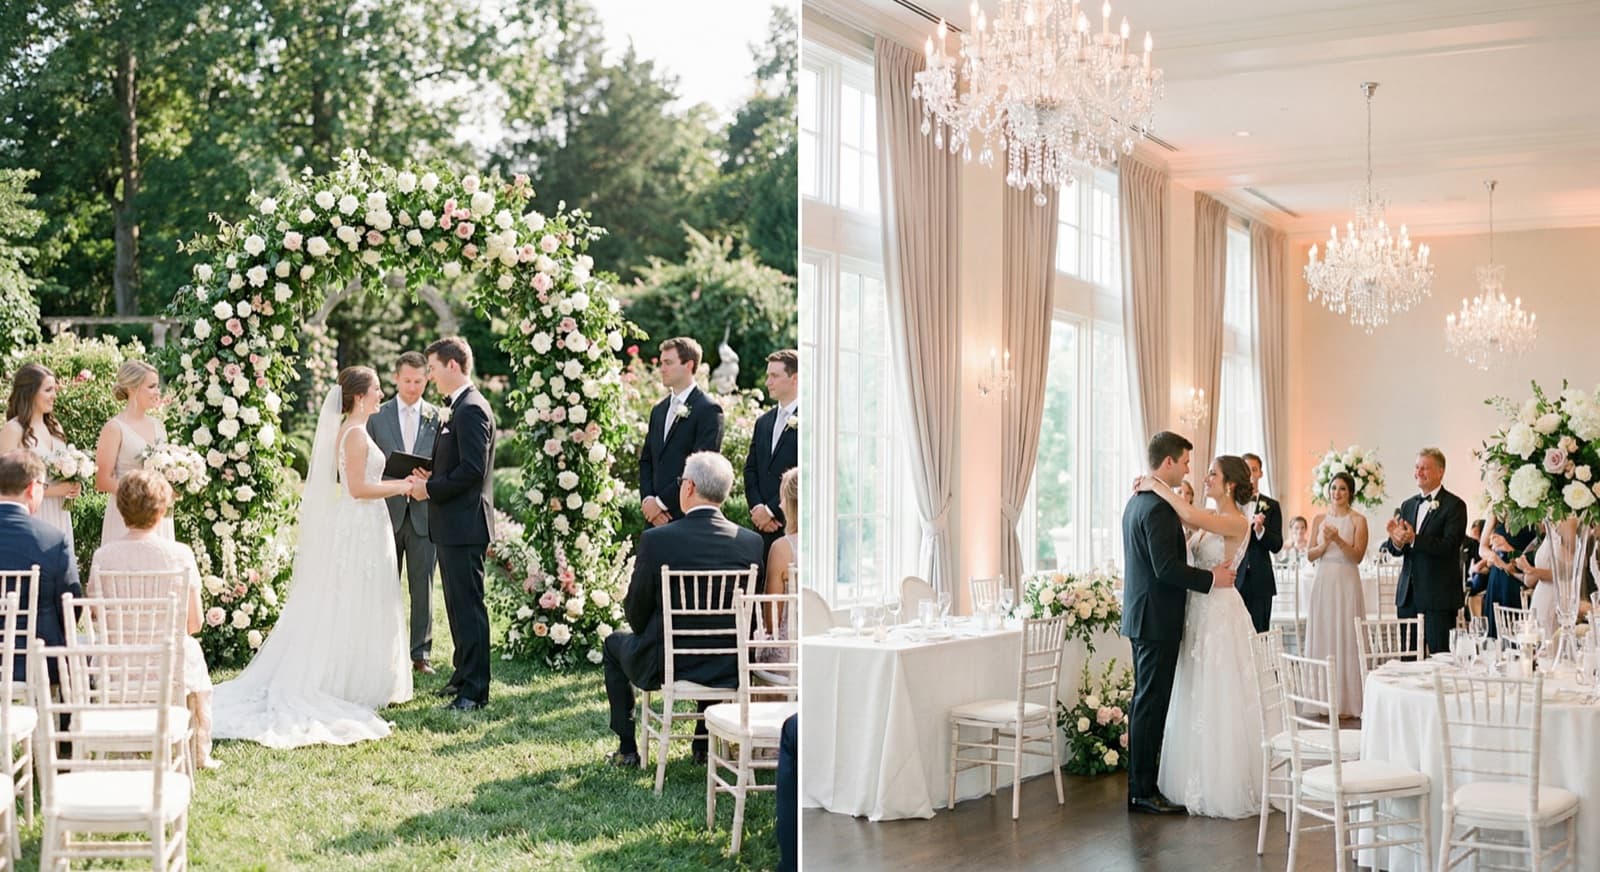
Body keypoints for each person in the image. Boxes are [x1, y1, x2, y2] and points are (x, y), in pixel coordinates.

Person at [210, 367, 415, 747]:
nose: (381, 394)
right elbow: (356, 488)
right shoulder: (354, 435)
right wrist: (403, 486)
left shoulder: (357, 431)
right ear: (358, 397)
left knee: (366, 599)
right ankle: (346, 680)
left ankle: (364, 676)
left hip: (368, 525)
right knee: (355, 599)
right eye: (376, 389)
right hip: (360, 526)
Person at [601, 451, 764, 767]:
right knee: (715, 638)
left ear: (688, 487)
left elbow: (635, 613)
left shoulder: (657, 540)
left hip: (665, 664)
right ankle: (702, 745)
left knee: (612, 645)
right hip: (728, 666)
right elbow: (751, 619)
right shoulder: (751, 543)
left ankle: (627, 748)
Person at [1135, 453, 1262, 818]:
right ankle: (1189, 777)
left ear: (1230, 485)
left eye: (1212, 474)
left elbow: (1187, 514)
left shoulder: (1235, 521)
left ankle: (1222, 781)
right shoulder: (1210, 524)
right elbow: (1187, 529)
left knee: (1219, 692)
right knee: (1194, 690)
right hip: (1199, 612)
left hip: (1221, 613)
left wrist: (1155, 484)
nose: (1205, 477)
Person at [1119, 432, 1236, 816]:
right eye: (1185, 461)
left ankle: (1142, 785)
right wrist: (1209, 580)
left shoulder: (1139, 500)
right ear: (1168, 462)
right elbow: (1166, 568)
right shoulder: (1156, 508)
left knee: (1145, 702)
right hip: (1155, 619)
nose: (1190, 468)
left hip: (1145, 616)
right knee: (1150, 704)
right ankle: (1142, 790)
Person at [90, 470, 219, 768]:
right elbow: (194, 624)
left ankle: (127, 746)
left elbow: (95, 612)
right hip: (168, 661)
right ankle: (196, 750)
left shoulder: (104, 556)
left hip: (119, 661)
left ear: (121, 509)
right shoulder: (180, 554)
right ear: (162, 510)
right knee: (190, 649)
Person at [408, 337, 497, 712]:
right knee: (457, 607)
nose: (429, 375)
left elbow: (473, 471)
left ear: (453, 366)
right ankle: (462, 675)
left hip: (464, 525)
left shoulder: (472, 408)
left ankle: (475, 690)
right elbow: (457, 462)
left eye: (432, 368)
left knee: (469, 607)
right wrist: (430, 471)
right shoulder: (456, 408)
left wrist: (429, 488)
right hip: (451, 525)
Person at [367, 350, 440, 674]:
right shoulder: (376, 417)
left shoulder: (439, 417)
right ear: (396, 378)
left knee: (422, 585)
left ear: (427, 379)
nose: (413, 387)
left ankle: (420, 654)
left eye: (419, 381)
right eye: (407, 380)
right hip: (387, 511)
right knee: (384, 584)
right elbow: (365, 465)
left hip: (425, 513)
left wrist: (431, 476)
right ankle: (383, 648)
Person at [0, 449, 81, 684]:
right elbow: (70, 604)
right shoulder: (52, 540)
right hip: (40, 658)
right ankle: (61, 720)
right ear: (32, 488)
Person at [1385, 448, 1469, 656]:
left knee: (1440, 659)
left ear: (1440, 472)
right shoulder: (1407, 505)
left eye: (1425, 468)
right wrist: (1396, 541)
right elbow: (1399, 550)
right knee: (1408, 659)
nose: (1419, 472)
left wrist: (1414, 539)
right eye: (1417, 467)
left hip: (1438, 595)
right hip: (1408, 596)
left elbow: (1449, 546)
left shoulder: (1455, 506)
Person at [1302, 473, 1369, 718]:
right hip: (1324, 580)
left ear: (1350, 492)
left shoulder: (1358, 520)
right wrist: (1324, 544)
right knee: (1325, 633)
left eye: (1342, 488)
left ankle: (1348, 702)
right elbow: (1310, 555)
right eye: (1333, 488)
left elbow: (1357, 556)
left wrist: (1338, 539)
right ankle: (1323, 699)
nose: (1337, 493)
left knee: (1346, 635)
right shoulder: (1319, 518)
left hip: (1347, 580)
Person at [639, 337, 724, 526]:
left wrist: (661, 504)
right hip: (652, 520)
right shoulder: (658, 410)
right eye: (661, 363)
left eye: (668, 363)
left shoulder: (709, 410)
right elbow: (646, 461)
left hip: (685, 518)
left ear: (689, 365)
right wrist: (648, 502)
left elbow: (700, 470)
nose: (662, 368)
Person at [0, 363, 82, 550]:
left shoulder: (55, 428)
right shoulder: (13, 429)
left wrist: (73, 484)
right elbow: (5, 485)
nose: (54, 395)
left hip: (60, 512)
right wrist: (56, 490)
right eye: (48, 390)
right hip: (31, 514)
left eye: (54, 389)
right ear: (30, 392)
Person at [93, 360, 175, 542]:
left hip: (159, 513)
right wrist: (140, 500)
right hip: (127, 513)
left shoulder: (158, 426)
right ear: (132, 388)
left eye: (157, 386)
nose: (157, 392)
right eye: (152, 386)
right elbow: (102, 480)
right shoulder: (115, 428)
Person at [744, 350, 798, 554]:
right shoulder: (763, 422)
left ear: (795, 379)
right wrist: (758, 509)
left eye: (774, 376)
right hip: (760, 528)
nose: (768, 382)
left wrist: (771, 510)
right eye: (768, 376)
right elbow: (750, 470)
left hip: (790, 524)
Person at [754, 468, 799, 674]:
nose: (779, 505)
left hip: (789, 658)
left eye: (782, 498)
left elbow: (772, 619)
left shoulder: (782, 548)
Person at [1237, 453, 1283, 633]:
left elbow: (1278, 544)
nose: (1249, 474)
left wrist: (1260, 531)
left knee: (1259, 634)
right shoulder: (1232, 504)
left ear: (1260, 473)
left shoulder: (1272, 505)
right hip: (1235, 580)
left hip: (1260, 581)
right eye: (1245, 470)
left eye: (1254, 470)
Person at [1478, 513, 1537, 638]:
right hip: (1498, 577)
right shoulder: (1498, 510)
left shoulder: (1535, 510)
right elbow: (1482, 548)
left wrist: (1509, 549)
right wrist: (1494, 557)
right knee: (1495, 632)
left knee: (1519, 633)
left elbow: (1536, 555)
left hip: (1521, 578)